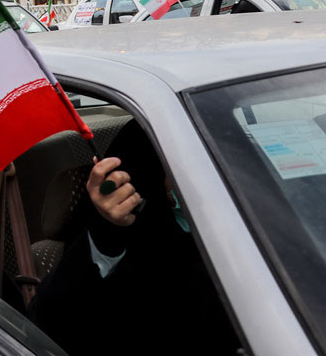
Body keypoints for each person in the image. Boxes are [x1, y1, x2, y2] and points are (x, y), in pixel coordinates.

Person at [29, 123, 241, 355]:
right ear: (147, 172)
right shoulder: (127, 252)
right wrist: (108, 229)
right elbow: (47, 321)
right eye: (191, 162)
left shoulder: (246, 228)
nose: (209, 174)